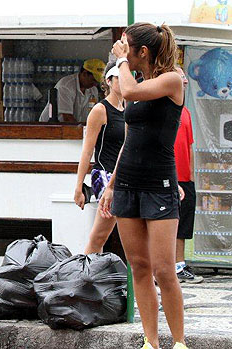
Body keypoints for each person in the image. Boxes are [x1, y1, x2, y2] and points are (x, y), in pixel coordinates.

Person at [100, 23, 188, 349]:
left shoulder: (172, 79)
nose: (120, 51)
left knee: (164, 270)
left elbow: (129, 93)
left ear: (143, 53)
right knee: (138, 266)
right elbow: (130, 139)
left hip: (158, 185)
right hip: (127, 185)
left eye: (126, 46)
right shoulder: (139, 80)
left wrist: (121, 61)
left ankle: (178, 342)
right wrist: (111, 184)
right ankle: (151, 342)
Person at [74, 61, 124, 253]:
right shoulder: (100, 110)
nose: (123, 82)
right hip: (104, 173)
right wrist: (79, 186)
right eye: (118, 78)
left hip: (124, 175)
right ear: (109, 81)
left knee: (119, 231)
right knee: (101, 234)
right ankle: (85, 272)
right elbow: (87, 151)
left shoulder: (130, 109)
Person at [173, 67, 203, 284]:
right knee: (167, 223)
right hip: (167, 176)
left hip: (185, 177)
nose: (184, 80)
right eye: (180, 75)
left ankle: (179, 264)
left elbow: (189, 145)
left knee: (183, 224)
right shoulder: (165, 109)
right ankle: (166, 266)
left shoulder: (187, 113)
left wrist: (191, 175)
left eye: (184, 76)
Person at [39, 58, 106, 123]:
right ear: (84, 73)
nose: (95, 84)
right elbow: (67, 118)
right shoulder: (66, 86)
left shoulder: (93, 90)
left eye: (97, 82)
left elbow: (92, 114)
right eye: (93, 80)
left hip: (72, 127)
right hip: (50, 127)